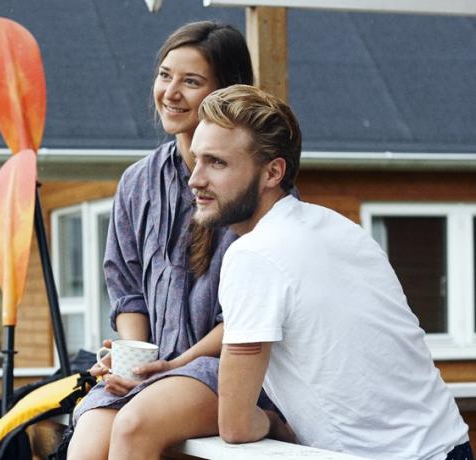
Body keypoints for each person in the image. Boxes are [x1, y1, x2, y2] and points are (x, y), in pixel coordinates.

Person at [187, 84, 471, 459]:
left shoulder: (253, 254)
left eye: (217, 162)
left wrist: (273, 424)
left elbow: (236, 426)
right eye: (197, 160)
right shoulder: (339, 227)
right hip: (451, 445)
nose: (195, 179)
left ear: (273, 172)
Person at [68, 21, 291, 460]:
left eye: (191, 81)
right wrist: (132, 359)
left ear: (225, 91)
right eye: (165, 75)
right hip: (157, 371)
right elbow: (127, 290)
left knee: (134, 425)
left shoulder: (256, 185)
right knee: (87, 441)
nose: (171, 92)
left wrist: (173, 365)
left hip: (229, 369)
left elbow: (249, 316)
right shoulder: (137, 182)